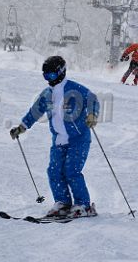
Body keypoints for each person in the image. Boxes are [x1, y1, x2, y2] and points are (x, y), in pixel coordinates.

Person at [9, 56, 100, 218]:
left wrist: (92, 114)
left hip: (78, 138)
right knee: (54, 171)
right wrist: (22, 127)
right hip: (58, 140)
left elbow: (93, 99)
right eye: (45, 76)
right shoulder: (47, 94)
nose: (48, 80)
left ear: (61, 72)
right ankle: (63, 203)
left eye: (51, 75)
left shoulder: (74, 89)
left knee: (72, 171)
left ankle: (83, 205)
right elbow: (35, 112)